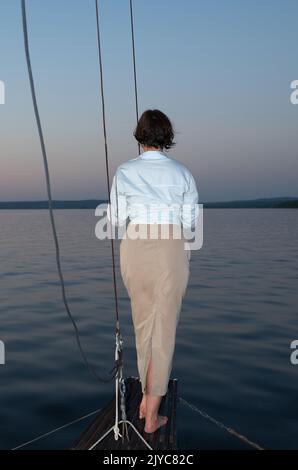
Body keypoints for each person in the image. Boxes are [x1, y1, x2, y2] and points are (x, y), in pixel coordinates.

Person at [108, 109, 199, 433]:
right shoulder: (182, 173)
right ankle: (151, 416)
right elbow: (189, 223)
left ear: (139, 134)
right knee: (164, 329)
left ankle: (148, 398)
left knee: (143, 323)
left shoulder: (124, 171)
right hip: (168, 247)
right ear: (167, 136)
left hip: (134, 245)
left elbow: (117, 220)